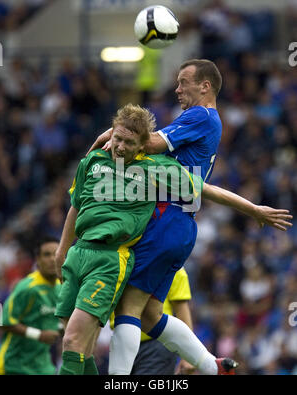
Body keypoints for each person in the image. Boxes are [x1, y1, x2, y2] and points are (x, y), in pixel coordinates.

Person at [85, 59, 292, 375]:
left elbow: (149, 142)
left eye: (183, 82)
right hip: (180, 224)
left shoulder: (201, 115)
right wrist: (252, 209)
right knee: (152, 314)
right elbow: (202, 186)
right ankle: (214, 367)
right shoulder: (208, 121)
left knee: (127, 308)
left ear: (205, 86)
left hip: (165, 218)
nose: (177, 88)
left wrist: (115, 132)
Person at [54, 103, 204, 375]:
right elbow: (76, 203)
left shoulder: (153, 168)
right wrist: (62, 249)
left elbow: (203, 189)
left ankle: (209, 365)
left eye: (129, 142)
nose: (121, 147)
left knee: (73, 340)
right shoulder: (94, 160)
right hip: (80, 254)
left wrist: (251, 209)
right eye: (117, 139)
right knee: (75, 342)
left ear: (143, 144)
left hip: (114, 266)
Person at [109, 267, 196, 375]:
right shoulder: (118, 259)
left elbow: (182, 310)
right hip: (120, 344)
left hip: (156, 344)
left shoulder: (169, 261)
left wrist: (188, 356)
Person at [0, 236, 61, 375]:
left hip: (44, 367)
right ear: (37, 260)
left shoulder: (61, 288)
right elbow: (4, 322)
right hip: (14, 366)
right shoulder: (27, 287)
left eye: (56, 254)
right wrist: (38, 335)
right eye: (46, 255)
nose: (52, 259)